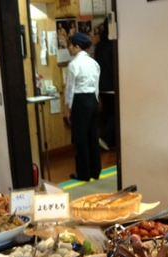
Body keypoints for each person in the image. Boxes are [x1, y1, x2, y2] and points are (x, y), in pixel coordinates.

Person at [65, 32, 101, 181]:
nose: (69, 48)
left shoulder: (74, 64)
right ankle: (95, 171)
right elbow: (96, 85)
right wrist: (95, 100)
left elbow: (70, 88)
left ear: (77, 46)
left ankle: (84, 174)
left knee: (80, 138)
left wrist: (68, 108)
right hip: (93, 99)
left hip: (79, 101)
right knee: (93, 136)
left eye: (70, 45)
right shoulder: (94, 63)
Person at [93, 19, 115, 150]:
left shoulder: (99, 45)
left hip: (101, 85)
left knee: (106, 113)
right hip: (112, 85)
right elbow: (114, 67)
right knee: (113, 113)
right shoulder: (114, 45)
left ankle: (105, 139)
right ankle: (107, 140)